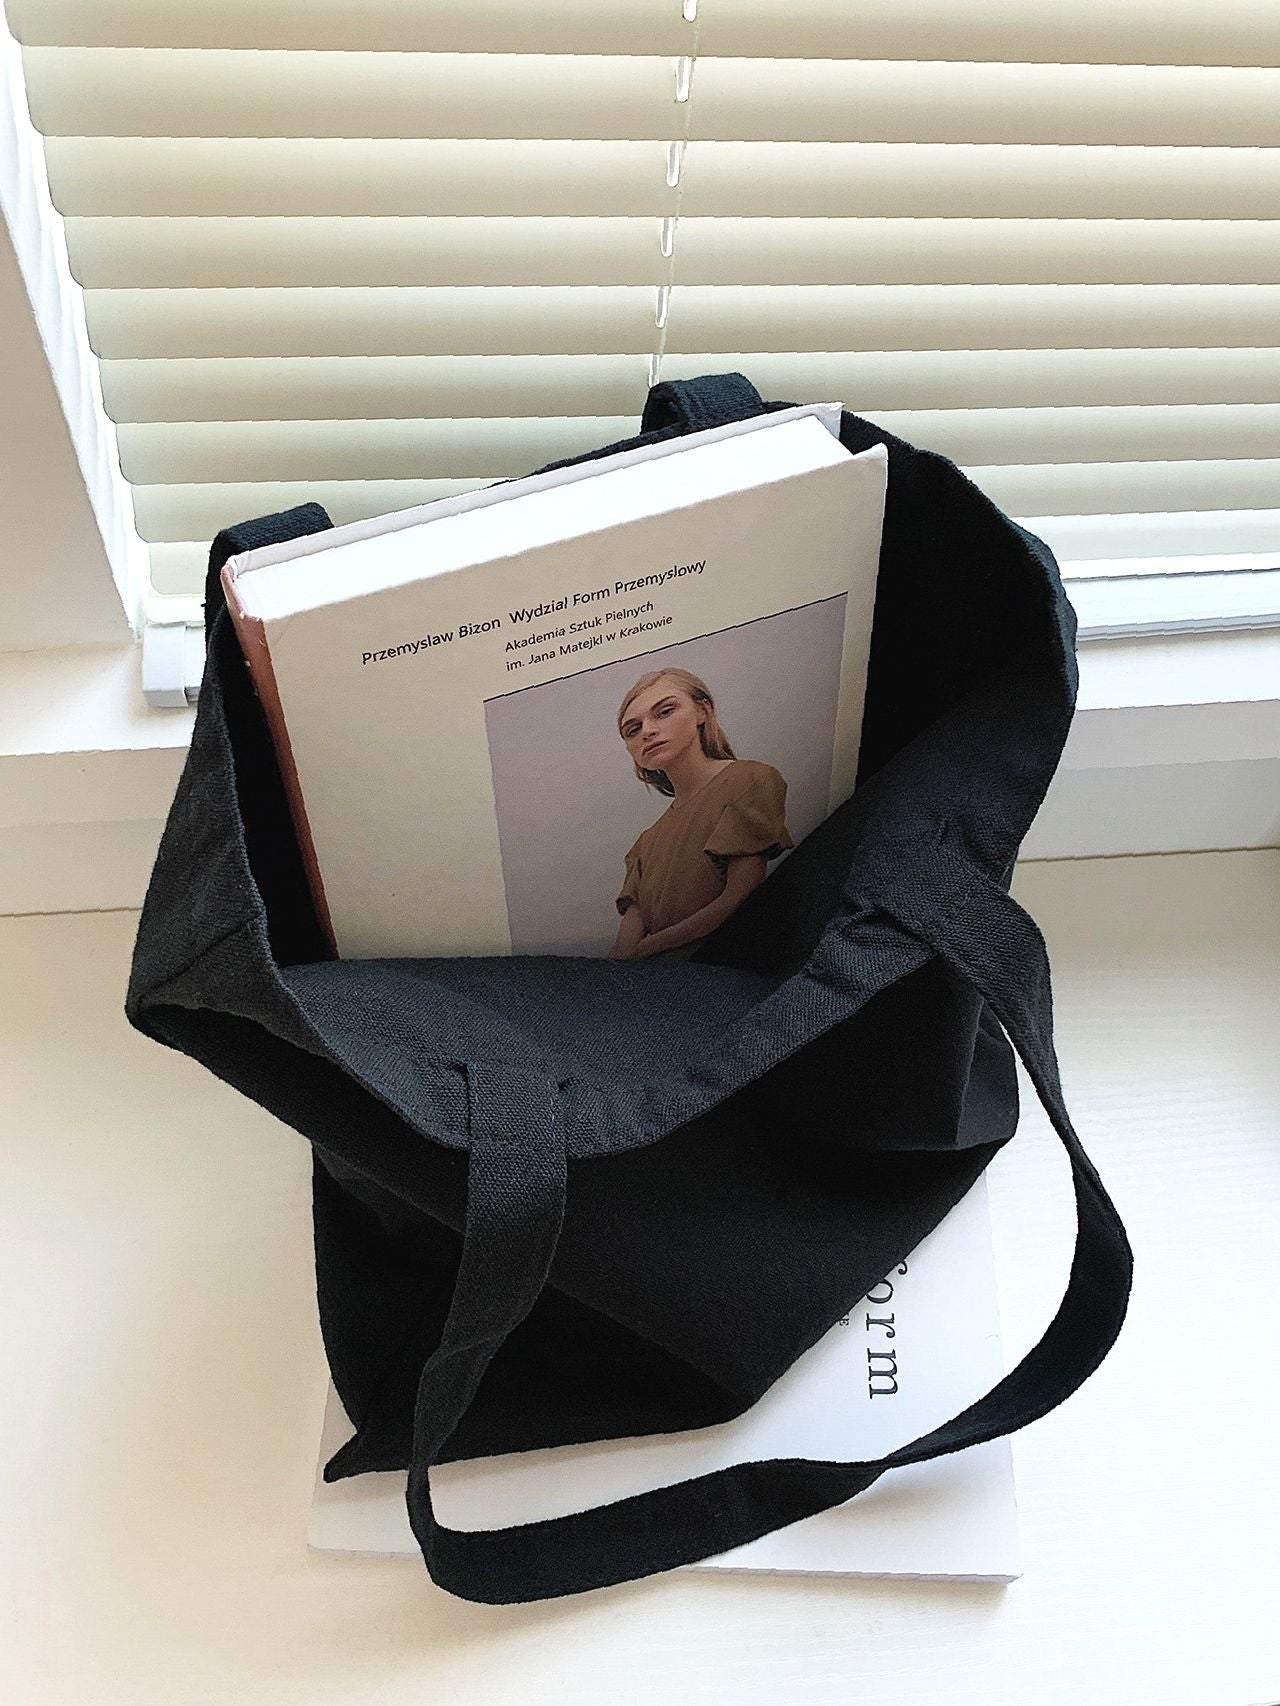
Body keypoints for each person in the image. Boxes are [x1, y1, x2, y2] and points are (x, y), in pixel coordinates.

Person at [609, 667, 793, 962]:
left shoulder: (750, 780)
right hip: (652, 980)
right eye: (633, 730)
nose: (648, 732)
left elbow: (738, 898)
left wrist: (649, 948)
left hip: (725, 967)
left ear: (702, 711)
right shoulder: (647, 842)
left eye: (665, 711)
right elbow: (623, 947)